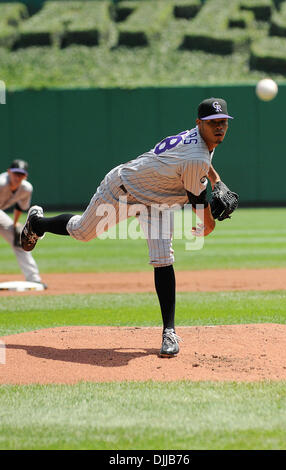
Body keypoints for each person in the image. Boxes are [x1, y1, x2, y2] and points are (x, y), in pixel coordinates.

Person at [21, 97, 236, 356]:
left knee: (163, 259)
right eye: (213, 123)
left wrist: (217, 180)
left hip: (158, 202)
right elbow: (198, 201)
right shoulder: (196, 155)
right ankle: (36, 223)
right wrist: (209, 226)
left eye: (223, 121)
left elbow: (203, 163)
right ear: (199, 123)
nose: (219, 127)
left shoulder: (201, 141)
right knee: (81, 232)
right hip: (122, 190)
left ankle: (169, 332)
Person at [0, 159, 47, 288]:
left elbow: (20, 207)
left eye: (21, 174)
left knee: (21, 240)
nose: (17, 177)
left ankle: (33, 278)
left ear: (25, 176)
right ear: (8, 172)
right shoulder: (1, 183)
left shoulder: (26, 188)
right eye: (15, 173)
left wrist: (15, 225)